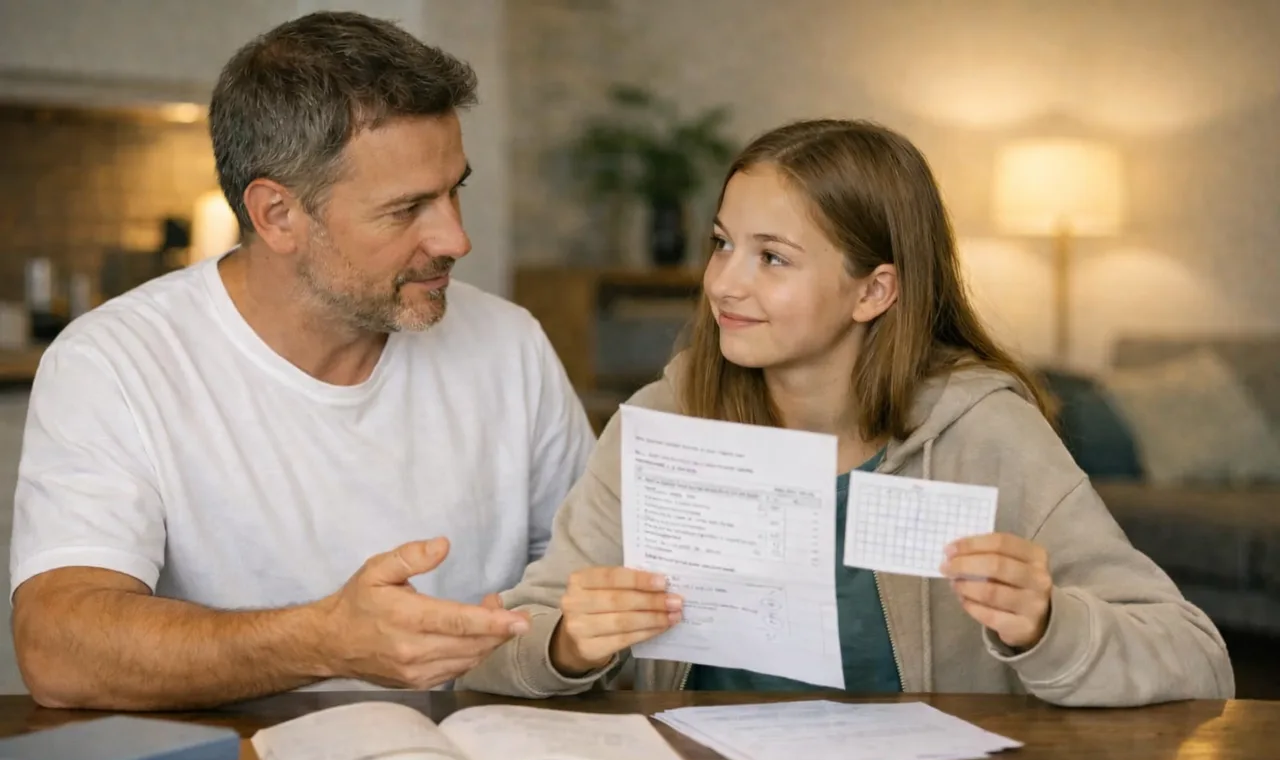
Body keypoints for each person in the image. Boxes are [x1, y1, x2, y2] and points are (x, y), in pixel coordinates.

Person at [459, 119, 1234, 705]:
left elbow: (1198, 661)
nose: (724, 284)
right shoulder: (664, 419)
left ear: (875, 291)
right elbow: (498, 654)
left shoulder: (984, 430)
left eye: (772, 257)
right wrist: (567, 644)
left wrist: (1048, 625)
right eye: (722, 244)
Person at [9, 12, 594, 711]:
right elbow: (57, 648)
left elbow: (588, 576)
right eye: (407, 208)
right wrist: (323, 640)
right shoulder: (114, 363)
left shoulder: (509, 344)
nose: (456, 238)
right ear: (277, 215)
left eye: (453, 189)